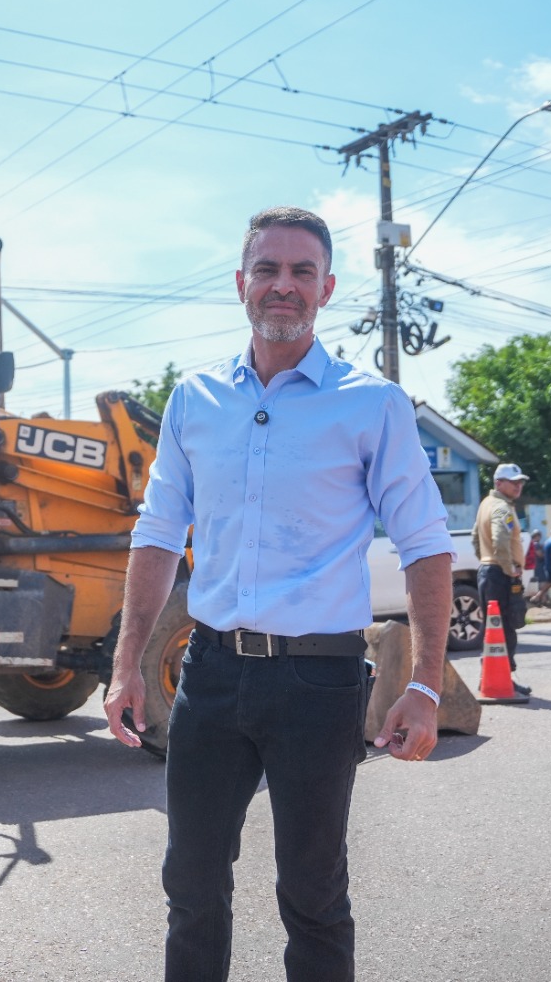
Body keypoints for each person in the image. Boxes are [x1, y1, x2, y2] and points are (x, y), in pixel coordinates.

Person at [102, 206, 455, 982]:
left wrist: (425, 684)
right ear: (241, 284)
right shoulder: (195, 400)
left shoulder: (372, 404)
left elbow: (428, 544)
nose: (283, 286)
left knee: (313, 893)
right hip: (211, 673)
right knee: (191, 886)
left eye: (302, 272)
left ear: (327, 289)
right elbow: (159, 534)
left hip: (318, 681)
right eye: (268, 269)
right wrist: (128, 665)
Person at [474, 463, 531, 693]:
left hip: (488, 572)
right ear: (499, 483)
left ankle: (490, 676)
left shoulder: (486, 504)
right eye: (513, 481)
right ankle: (502, 678)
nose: (519, 486)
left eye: (520, 482)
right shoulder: (501, 508)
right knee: (506, 627)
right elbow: (500, 540)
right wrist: (510, 570)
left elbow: (474, 537)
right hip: (499, 575)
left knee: (493, 628)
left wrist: (485, 559)